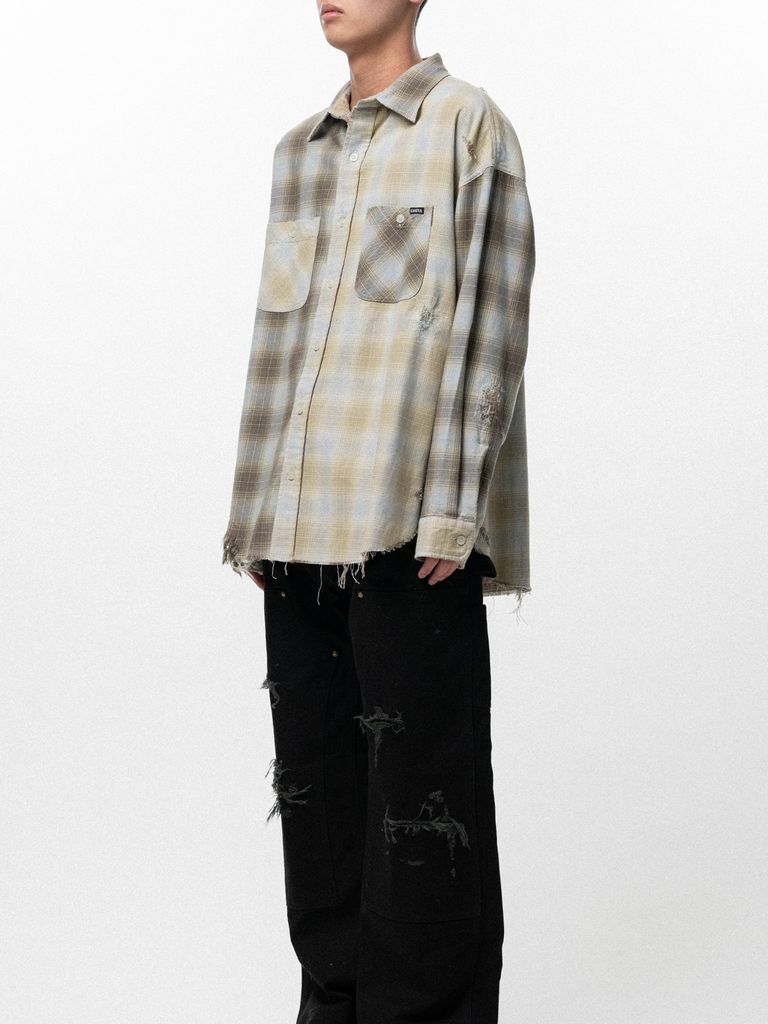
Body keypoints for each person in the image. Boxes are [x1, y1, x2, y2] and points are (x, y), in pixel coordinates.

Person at [221, 2, 536, 1021]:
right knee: (317, 803)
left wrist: (453, 512)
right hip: (296, 536)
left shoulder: (466, 124)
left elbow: (491, 324)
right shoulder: (297, 153)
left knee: (425, 814)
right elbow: (277, 344)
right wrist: (256, 510)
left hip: (408, 529)